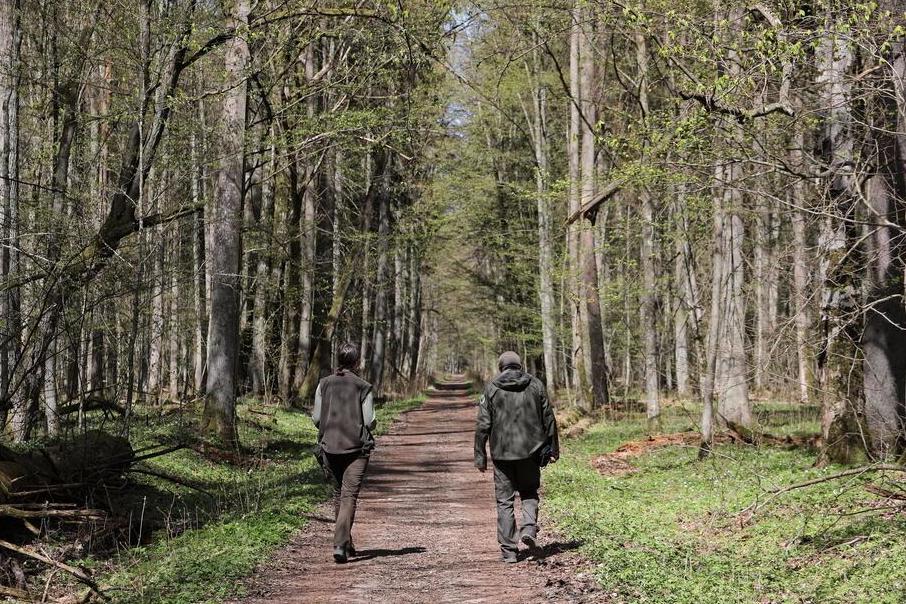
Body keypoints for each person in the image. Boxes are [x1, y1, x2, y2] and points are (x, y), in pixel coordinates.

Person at [474, 351, 560, 563]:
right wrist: (553, 449)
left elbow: (483, 424)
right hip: (531, 452)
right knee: (529, 492)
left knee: (505, 501)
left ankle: (509, 552)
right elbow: (549, 418)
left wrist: (480, 456)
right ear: (519, 365)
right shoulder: (535, 384)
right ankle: (528, 527)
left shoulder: (492, 387)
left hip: (502, 456)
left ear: (501, 366)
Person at [311, 342, 376, 564]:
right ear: (357, 361)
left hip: (329, 447)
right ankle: (340, 544)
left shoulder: (323, 384)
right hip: (357, 450)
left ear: (337, 359)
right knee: (349, 496)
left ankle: (345, 541)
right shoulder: (363, 386)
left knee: (339, 494)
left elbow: (317, 419)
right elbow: (369, 421)